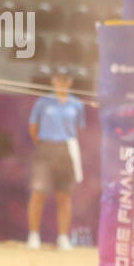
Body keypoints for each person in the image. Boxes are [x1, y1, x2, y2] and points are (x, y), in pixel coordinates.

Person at [26, 68, 85, 250]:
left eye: (65, 79)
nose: (62, 83)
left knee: (64, 195)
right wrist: (44, 143)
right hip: (45, 148)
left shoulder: (76, 104)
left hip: (66, 149)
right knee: (38, 193)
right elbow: (33, 128)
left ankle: (63, 237)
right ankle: (34, 235)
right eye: (59, 79)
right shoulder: (43, 102)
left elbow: (78, 129)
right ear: (53, 81)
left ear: (70, 82)